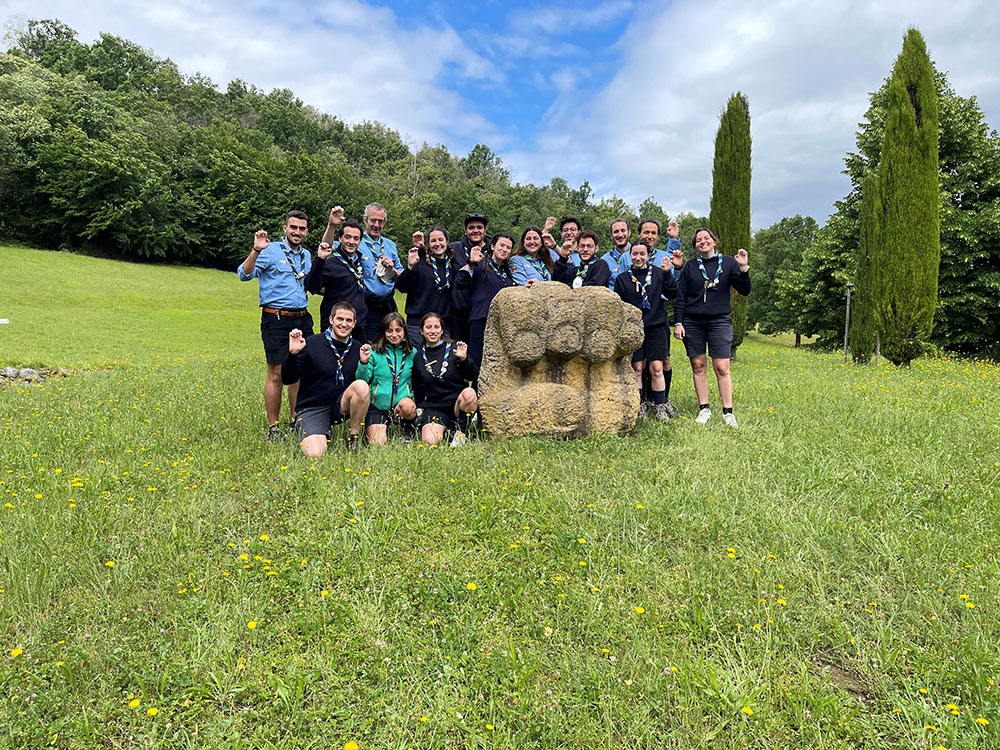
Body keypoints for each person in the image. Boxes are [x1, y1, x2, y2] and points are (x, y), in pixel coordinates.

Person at [237, 210, 314, 441]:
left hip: (302, 317)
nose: (297, 232)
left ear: (306, 232)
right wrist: (256, 250)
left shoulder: (306, 255)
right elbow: (244, 274)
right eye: (293, 227)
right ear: (285, 228)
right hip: (277, 318)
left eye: (301, 229)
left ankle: (296, 421)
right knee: (277, 373)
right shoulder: (269, 250)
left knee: (299, 371)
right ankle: (274, 427)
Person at [673, 228, 751, 428]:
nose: (703, 242)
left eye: (706, 238)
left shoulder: (728, 263)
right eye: (698, 240)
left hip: (719, 322)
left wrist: (743, 268)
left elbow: (744, 290)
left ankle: (728, 412)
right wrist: (678, 322)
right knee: (698, 366)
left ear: (714, 241)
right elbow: (681, 296)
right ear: (695, 245)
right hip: (693, 322)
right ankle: (704, 408)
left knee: (722, 367)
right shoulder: (691, 266)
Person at [282, 302, 371, 455]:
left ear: (354, 323)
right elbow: (287, 379)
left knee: (361, 386)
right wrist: (293, 354)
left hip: (340, 405)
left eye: (349, 320)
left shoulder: (358, 348)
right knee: (315, 453)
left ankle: (354, 437)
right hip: (313, 407)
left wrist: (363, 363)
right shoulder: (311, 344)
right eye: (340, 319)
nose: (344, 324)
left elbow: (364, 388)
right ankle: (310, 428)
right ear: (331, 319)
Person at [614, 241, 678, 421]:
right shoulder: (622, 279)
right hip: (635, 329)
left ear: (648, 255)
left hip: (656, 327)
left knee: (657, 367)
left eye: (642, 254)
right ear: (629, 256)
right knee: (637, 367)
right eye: (634, 254)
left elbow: (673, 293)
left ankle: (660, 406)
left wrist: (668, 273)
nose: (638, 258)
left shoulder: (658, 273)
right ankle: (639, 405)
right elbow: (620, 306)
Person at [411, 312, 479, 447]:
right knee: (429, 442)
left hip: (457, 405)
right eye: (428, 327)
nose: (433, 331)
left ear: (442, 330)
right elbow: (417, 385)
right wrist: (420, 408)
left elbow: (474, 376)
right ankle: (449, 430)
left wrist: (464, 359)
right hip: (435, 407)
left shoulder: (455, 349)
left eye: (436, 327)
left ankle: (461, 432)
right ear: (422, 331)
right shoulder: (419, 356)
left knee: (470, 393)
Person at [355, 313, 417, 445]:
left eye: (398, 330)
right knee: (377, 444)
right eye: (389, 331)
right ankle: (382, 428)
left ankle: (408, 429)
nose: (394, 335)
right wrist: (363, 363)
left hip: (401, 406)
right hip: (378, 406)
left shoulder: (412, 353)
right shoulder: (373, 352)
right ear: (383, 332)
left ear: (404, 332)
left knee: (408, 405)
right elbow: (362, 380)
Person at [456, 231, 516, 367]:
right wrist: (471, 263)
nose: (504, 249)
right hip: (481, 319)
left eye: (508, 248)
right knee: (477, 361)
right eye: (502, 245)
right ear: (493, 246)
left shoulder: (507, 273)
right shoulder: (479, 264)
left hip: (501, 323)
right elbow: (460, 282)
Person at [395, 226, 457, 346]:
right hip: (417, 325)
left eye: (441, 240)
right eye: (433, 241)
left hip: (442, 325)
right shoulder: (420, 262)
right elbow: (402, 287)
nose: (437, 244)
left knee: (441, 357)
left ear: (447, 241)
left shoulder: (453, 265)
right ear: (428, 244)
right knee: (417, 357)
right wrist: (410, 267)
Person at [307, 217, 369, 336]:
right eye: (347, 237)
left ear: (360, 241)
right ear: (340, 238)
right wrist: (320, 259)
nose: (351, 241)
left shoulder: (359, 261)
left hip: (357, 324)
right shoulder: (331, 261)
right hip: (335, 325)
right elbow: (312, 286)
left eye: (356, 238)